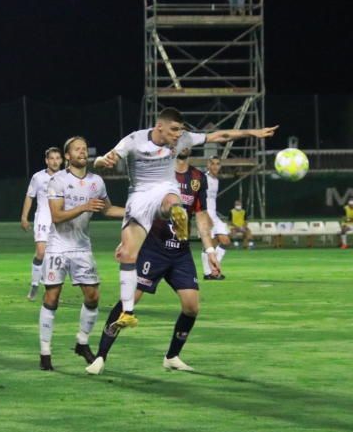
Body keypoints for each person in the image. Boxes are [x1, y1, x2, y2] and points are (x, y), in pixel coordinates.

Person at [94, 107, 277, 331]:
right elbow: (102, 160)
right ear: (159, 126)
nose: (178, 135)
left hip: (166, 190)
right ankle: (128, 312)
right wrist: (103, 161)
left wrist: (252, 133)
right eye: (173, 130)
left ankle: (177, 217)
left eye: (180, 130)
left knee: (173, 201)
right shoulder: (134, 139)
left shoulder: (182, 139)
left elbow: (220, 136)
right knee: (127, 254)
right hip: (140, 195)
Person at [87, 148, 221, 375]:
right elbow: (137, 208)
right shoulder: (156, 175)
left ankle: (172, 356)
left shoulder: (198, 178)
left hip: (181, 252)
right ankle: (100, 356)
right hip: (153, 248)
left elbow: (200, 216)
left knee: (191, 307)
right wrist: (127, 240)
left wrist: (209, 250)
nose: (183, 143)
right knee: (128, 301)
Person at [38, 136, 125, 371]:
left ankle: (82, 342)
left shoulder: (96, 182)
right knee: (52, 299)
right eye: (77, 149)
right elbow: (56, 217)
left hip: (82, 247)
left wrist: (135, 211)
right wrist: (84, 207)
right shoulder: (57, 180)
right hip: (58, 246)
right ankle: (45, 352)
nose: (82, 152)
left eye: (85, 149)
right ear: (67, 156)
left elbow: (108, 209)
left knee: (93, 297)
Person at [21, 148, 64, 301]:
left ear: (61, 160)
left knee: (55, 257)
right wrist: (24, 217)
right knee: (40, 253)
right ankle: (34, 284)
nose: (55, 161)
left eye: (58, 158)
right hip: (43, 218)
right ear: (47, 160)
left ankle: (51, 290)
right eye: (51, 158)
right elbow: (29, 196)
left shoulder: (66, 177)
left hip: (60, 220)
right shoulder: (38, 177)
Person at [201, 156, 231, 279]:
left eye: (217, 164)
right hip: (205, 215)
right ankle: (209, 273)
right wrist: (205, 215)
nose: (215, 166)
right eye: (212, 163)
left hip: (214, 215)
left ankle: (213, 269)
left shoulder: (216, 180)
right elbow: (198, 198)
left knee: (226, 241)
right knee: (210, 246)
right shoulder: (204, 179)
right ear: (208, 165)